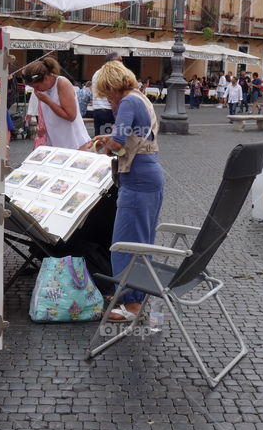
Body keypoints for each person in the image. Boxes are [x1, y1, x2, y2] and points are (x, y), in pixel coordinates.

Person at [81, 61, 162, 323]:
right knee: (141, 241)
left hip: (136, 178)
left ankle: (130, 305)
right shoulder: (141, 98)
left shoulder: (127, 101)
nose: (108, 100)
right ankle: (135, 295)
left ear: (113, 85)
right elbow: (130, 139)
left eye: (107, 94)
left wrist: (102, 146)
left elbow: (118, 142)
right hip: (149, 173)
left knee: (124, 244)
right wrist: (108, 140)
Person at [22, 57, 90, 149]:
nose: (36, 90)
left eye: (37, 86)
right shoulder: (42, 90)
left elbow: (71, 116)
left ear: (46, 78)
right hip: (56, 144)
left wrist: (48, 102)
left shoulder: (62, 83)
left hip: (74, 142)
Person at [90, 52, 122, 135]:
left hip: (98, 110)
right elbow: (113, 96)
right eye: (120, 60)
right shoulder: (111, 74)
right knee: (111, 140)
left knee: (99, 140)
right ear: (113, 61)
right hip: (108, 111)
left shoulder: (97, 73)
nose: (122, 63)